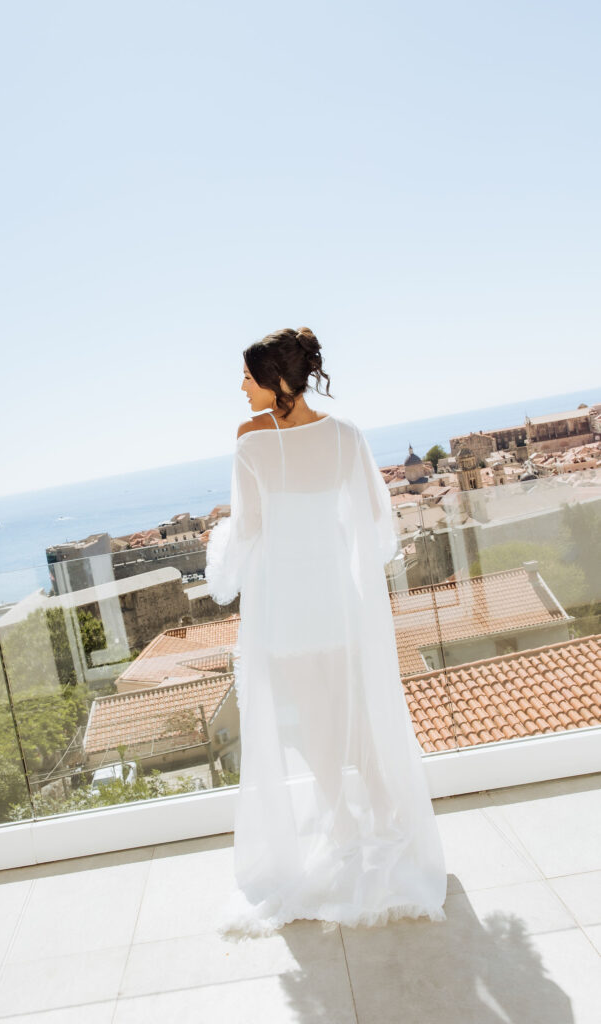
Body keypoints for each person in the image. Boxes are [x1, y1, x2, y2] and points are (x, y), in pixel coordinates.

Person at [205, 326, 447, 940]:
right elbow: (373, 519)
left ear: (276, 381)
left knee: (312, 721)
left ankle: (340, 828)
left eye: (248, 377)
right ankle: (387, 822)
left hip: (288, 603)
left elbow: (250, 527)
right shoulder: (347, 437)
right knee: (357, 715)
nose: (241, 387)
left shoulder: (251, 442)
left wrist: (219, 549)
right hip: (338, 598)